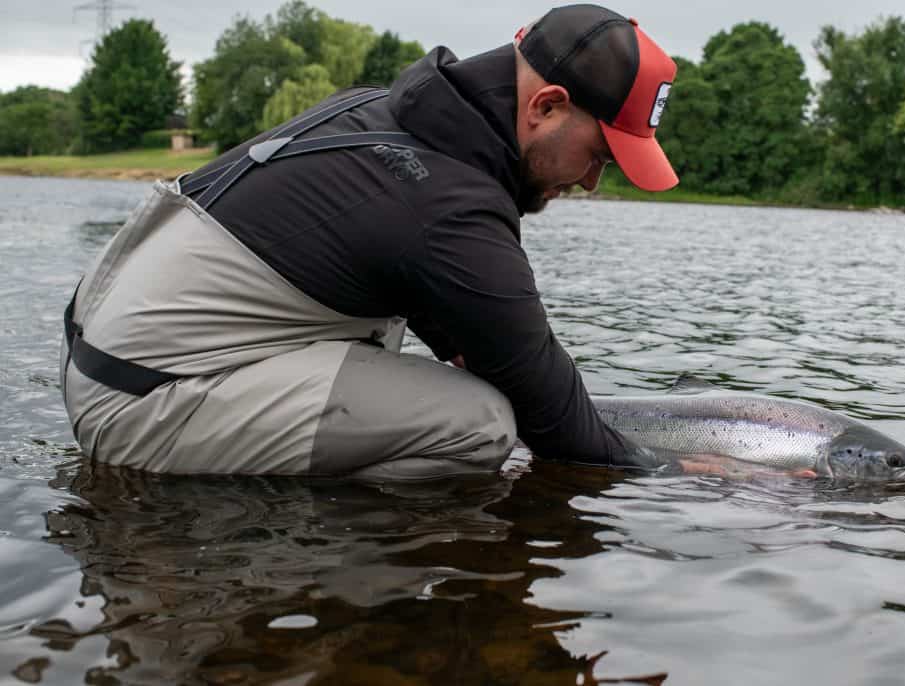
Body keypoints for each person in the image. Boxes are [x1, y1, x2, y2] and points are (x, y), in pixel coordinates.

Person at [60, 4, 681, 478]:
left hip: (103, 356)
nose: (594, 182)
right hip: (136, 405)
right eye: (599, 155)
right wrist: (674, 474)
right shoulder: (450, 207)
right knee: (478, 424)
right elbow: (560, 429)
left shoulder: (383, 114)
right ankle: (328, 565)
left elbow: (481, 335)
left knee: (405, 348)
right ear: (545, 106)